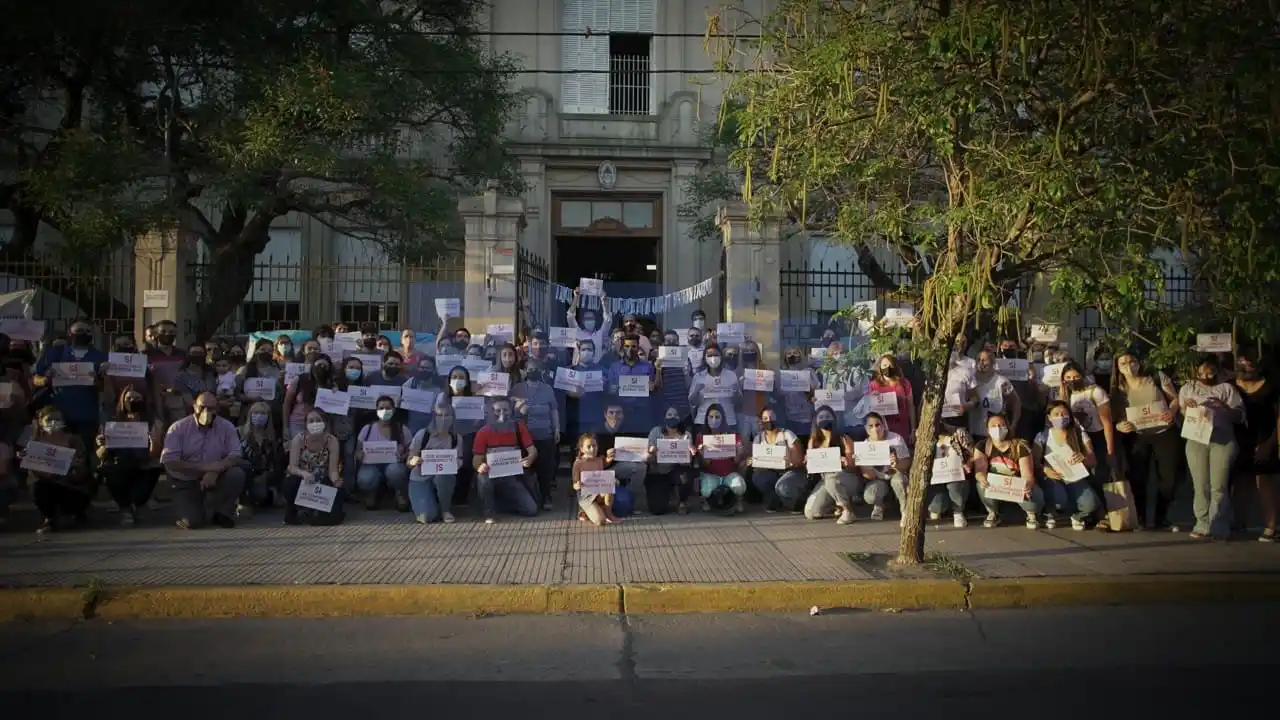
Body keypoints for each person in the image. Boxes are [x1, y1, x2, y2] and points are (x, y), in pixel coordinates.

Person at [1179, 355, 1244, 540]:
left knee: (1219, 486)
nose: (1206, 376)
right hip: (1197, 438)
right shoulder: (1188, 387)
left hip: (1221, 439)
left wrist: (1224, 407)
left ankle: (1219, 525)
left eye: (1211, 372)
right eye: (1202, 372)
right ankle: (1202, 523)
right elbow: (1182, 414)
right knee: (1200, 485)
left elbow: (1239, 416)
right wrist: (1187, 407)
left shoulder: (1227, 389)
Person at [159, 392, 247, 529]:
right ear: (194, 407)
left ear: (217, 409)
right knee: (192, 522)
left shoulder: (226, 426)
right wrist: (206, 468)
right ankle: (193, 508)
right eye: (202, 407)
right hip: (184, 480)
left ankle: (222, 512)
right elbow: (169, 461)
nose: (206, 412)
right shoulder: (178, 428)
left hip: (214, 476)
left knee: (236, 474)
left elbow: (235, 454)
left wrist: (216, 470)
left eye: (211, 408)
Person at [95, 385, 164, 525]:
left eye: (137, 398)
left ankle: (137, 505)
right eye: (129, 398)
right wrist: (103, 444)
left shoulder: (154, 422)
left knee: (150, 474)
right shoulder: (112, 422)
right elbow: (100, 455)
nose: (132, 401)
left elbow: (156, 455)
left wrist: (153, 441)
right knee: (111, 471)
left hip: (145, 463)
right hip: (119, 463)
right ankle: (125, 508)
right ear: (122, 400)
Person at [1232, 351, 1279, 541]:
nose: (1248, 364)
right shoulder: (1229, 386)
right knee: (1241, 481)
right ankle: (1238, 523)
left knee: (1264, 481)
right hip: (1239, 440)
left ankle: (1271, 527)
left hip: (1265, 439)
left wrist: (1274, 443)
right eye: (1244, 361)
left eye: (1252, 362)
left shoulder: (1271, 387)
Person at [25, 406, 92, 534]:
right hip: (47, 483)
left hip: (70, 486)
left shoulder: (74, 440)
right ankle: (49, 517)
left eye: (57, 419)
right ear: (41, 422)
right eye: (49, 419)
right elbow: (33, 473)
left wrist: (73, 465)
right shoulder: (35, 442)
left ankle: (75, 512)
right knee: (38, 488)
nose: (54, 422)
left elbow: (82, 473)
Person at [1035, 400, 1100, 530]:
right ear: (1049, 417)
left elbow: (1093, 459)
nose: (1061, 417)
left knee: (1091, 504)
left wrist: (1084, 458)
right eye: (1056, 414)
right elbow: (1035, 462)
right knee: (1060, 500)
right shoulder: (1043, 436)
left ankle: (1077, 516)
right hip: (1054, 477)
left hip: (1075, 477)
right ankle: (1050, 512)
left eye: (1064, 414)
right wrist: (1045, 470)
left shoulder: (1078, 433)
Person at [472, 396, 539, 523]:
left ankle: (499, 504)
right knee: (482, 478)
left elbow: (532, 450)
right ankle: (489, 513)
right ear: (491, 413)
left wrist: (530, 458)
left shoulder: (518, 428)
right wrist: (480, 466)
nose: (502, 414)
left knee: (531, 510)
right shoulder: (483, 432)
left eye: (505, 410)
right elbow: (476, 460)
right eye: (498, 411)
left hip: (512, 477)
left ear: (511, 411)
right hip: (490, 476)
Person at [973, 412, 1044, 529]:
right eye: (993, 426)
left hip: (1016, 485)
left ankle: (1032, 513)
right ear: (987, 430)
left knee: (1034, 498)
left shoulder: (1020, 446)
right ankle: (993, 512)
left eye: (1001, 425)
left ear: (1007, 427)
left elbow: (1028, 474)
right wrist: (981, 477)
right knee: (981, 485)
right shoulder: (982, 446)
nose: (998, 428)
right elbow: (980, 470)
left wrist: (1028, 485)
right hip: (996, 486)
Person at [511, 359, 560, 511]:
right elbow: (509, 411)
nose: (533, 371)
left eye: (536, 368)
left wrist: (557, 428)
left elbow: (554, 410)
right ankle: (530, 497)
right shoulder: (517, 389)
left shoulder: (547, 389)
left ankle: (546, 496)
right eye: (529, 369)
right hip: (524, 435)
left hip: (545, 433)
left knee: (545, 469)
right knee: (526, 469)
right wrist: (518, 408)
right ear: (524, 371)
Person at [801, 405, 860, 523]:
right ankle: (835, 505)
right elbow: (812, 469)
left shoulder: (844, 438)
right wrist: (808, 461)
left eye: (828, 416)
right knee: (811, 513)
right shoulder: (813, 441)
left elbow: (854, 467)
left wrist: (845, 461)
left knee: (832, 480)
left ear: (834, 419)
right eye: (821, 417)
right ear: (816, 421)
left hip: (846, 478)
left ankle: (848, 510)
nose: (824, 419)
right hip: (825, 480)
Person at [282, 411, 343, 525]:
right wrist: (304, 474)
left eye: (318, 420)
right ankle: (293, 511)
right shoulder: (298, 439)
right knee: (289, 483)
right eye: (311, 421)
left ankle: (317, 512)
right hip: (302, 479)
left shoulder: (332, 441)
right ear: (305, 424)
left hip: (323, 480)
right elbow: (292, 467)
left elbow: (333, 470)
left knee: (333, 516)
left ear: (325, 423)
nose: (315, 423)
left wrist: (336, 481)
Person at [406, 401, 463, 523]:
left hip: (443, 477)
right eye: (439, 415)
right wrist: (413, 461)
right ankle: (430, 504)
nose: (443, 419)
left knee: (443, 476)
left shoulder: (456, 438)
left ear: (453, 418)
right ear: (433, 417)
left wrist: (456, 463)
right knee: (426, 517)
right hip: (420, 478)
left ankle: (445, 509)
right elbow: (409, 461)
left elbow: (460, 459)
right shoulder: (423, 435)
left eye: (447, 415)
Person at [354, 395, 411, 510]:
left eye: (388, 408)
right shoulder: (367, 428)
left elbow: (411, 450)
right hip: (371, 465)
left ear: (394, 410)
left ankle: (400, 493)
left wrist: (403, 457)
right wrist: (360, 455)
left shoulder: (401, 429)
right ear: (376, 411)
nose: (385, 411)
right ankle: (371, 493)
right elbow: (358, 451)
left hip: (394, 465)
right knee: (365, 479)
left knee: (396, 472)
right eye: (381, 408)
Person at [849, 411, 907, 522]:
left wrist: (897, 464)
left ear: (883, 425)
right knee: (870, 496)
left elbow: (907, 462)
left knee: (899, 480)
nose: (875, 429)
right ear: (866, 429)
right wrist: (861, 464)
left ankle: (905, 511)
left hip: (895, 475)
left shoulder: (895, 439)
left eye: (877, 425)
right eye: (871, 426)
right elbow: (869, 476)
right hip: (878, 479)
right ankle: (880, 504)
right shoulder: (864, 446)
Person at [747, 407, 806, 513]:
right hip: (771, 471)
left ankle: (797, 502)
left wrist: (790, 460)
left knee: (783, 487)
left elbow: (799, 460)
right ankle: (774, 500)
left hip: (790, 470)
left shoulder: (787, 434)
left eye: (771, 417)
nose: (768, 420)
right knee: (758, 477)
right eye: (765, 418)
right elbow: (757, 459)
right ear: (761, 421)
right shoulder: (758, 438)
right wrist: (753, 461)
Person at [694, 403, 747, 514]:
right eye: (711, 417)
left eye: (717, 417)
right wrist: (702, 453)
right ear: (706, 418)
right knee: (706, 491)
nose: (714, 420)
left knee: (740, 486)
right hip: (711, 474)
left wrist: (740, 452)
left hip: (729, 473)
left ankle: (738, 501)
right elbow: (705, 464)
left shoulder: (732, 435)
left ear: (723, 418)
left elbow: (738, 456)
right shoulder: (701, 437)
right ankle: (704, 500)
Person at [645, 405, 697, 515]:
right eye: (669, 415)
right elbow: (649, 460)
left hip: (676, 470)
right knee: (657, 510)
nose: (672, 417)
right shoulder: (656, 432)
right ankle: (668, 494)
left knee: (685, 476)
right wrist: (652, 453)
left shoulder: (686, 435)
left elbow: (688, 462)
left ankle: (682, 502)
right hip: (658, 472)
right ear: (664, 417)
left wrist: (689, 456)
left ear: (679, 418)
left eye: (675, 415)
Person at [572, 433, 618, 526]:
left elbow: (606, 463)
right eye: (588, 447)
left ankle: (609, 513)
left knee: (609, 484)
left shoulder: (599, 459)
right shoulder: (578, 463)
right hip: (586, 495)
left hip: (599, 491)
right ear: (582, 449)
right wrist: (577, 485)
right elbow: (575, 484)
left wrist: (610, 457)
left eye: (594, 446)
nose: (592, 449)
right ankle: (585, 511)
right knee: (600, 521)